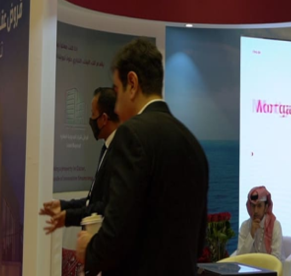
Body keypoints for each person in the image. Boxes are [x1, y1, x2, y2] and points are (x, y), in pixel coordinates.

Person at [75, 38, 209, 276]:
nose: (116, 108)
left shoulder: (131, 135)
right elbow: (197, 243)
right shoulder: (194, 145)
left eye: (117, 92)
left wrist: (90, 248)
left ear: (132, 83)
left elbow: (117, 232)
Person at [39, 87, 119, 233]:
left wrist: (69, 217)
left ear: (104, 119)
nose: (90, 120)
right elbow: (92, 201)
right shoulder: (106, 148)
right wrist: (63, 206)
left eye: (93, 114)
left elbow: (106, 206)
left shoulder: (119, 151)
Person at [237, 186, 283, 260]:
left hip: (271, 266)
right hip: (250, 266)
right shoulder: (245, 226)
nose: (256, 211)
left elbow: (276, 257)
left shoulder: (275, 225)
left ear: (266, 207)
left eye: (259, 206)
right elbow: (239, 256)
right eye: (253, 206)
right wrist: (251, 235)